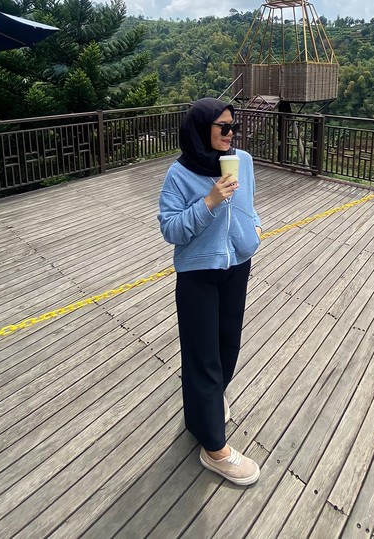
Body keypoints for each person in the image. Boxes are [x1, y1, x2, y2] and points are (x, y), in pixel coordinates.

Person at [158, 98, 262, 486]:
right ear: (202, 130)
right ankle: (214, 447)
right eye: (222, 127)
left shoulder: (244, 161)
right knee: (202, 355)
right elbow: (171, 229)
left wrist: (254, 230)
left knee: (227, 344)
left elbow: (250, 206)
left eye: (233, 126)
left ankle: (206, 406)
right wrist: (211, 201)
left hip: (237, 265)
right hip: (199, 272)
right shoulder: (180, 173)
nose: (231, 133)